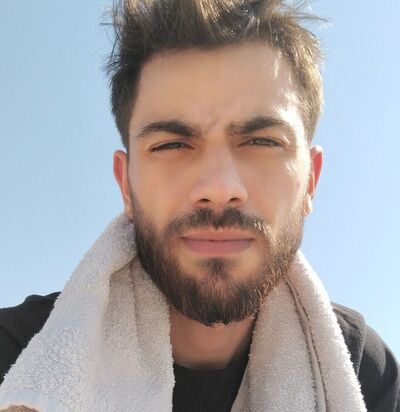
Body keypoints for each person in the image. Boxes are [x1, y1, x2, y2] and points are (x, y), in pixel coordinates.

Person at [0, 0, 399, 411]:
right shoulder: (16, 362)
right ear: (126, 184)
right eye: (171, 144)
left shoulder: (365, 371)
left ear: (311, 180)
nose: (219, 188)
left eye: (262, 141)